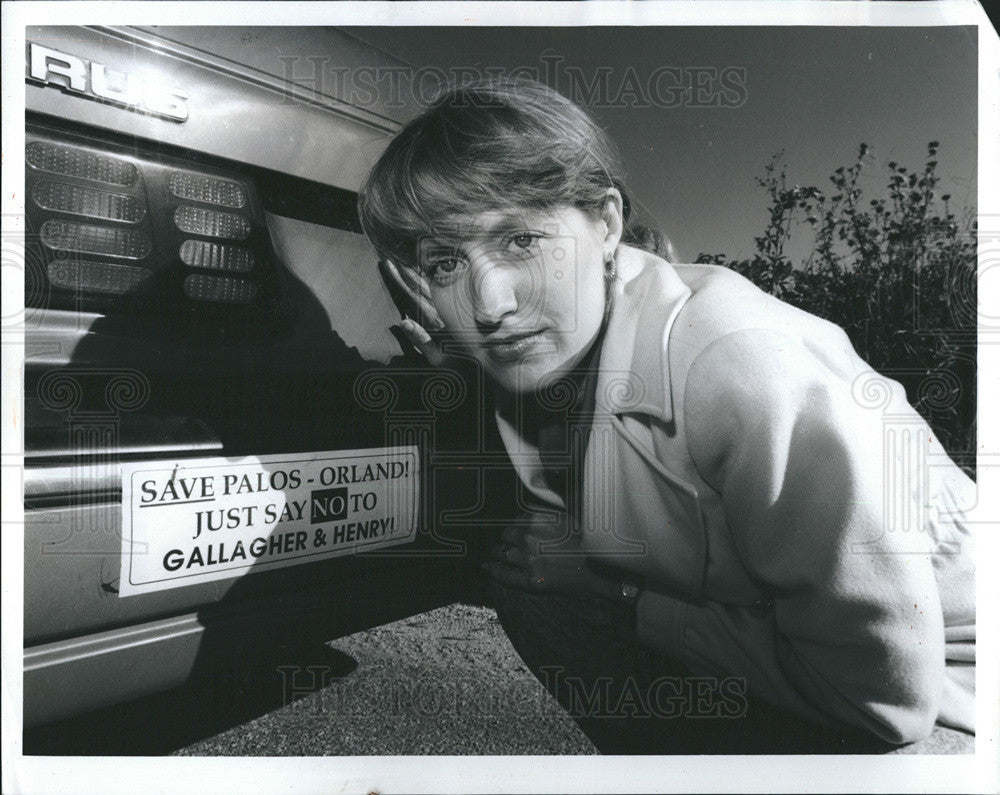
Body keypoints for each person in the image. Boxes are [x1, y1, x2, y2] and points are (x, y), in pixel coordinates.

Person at [356, 78, 975, 753]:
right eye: (446, 261)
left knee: (566, 589)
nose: (489, 304)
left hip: (951, 699)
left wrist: (619, 593)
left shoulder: (743, 366)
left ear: (608, 225)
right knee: (534, 577)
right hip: (808, 659)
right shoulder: (539, 351)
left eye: (521, 241)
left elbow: (885, 699)